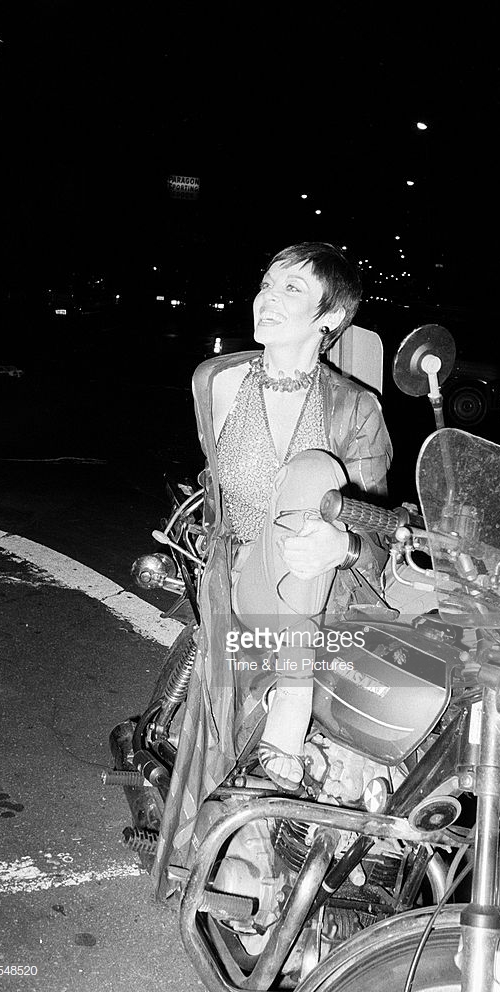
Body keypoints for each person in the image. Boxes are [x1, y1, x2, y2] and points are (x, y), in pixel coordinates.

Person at [150, 241, 392, 897]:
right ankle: (288, 703)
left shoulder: (357, 409)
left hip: (320, 586)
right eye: (266, 283)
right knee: (309, 472)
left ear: (330, 317)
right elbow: (215, 494)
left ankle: (294, 709)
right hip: (239, 577)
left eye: (292, 289)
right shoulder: (216, 383)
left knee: (313, 473)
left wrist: (341, 544)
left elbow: (379, 529)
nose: (267, 298)